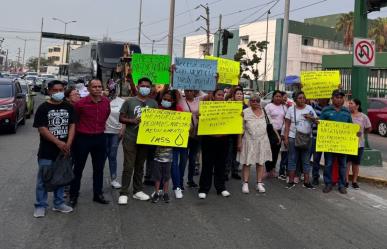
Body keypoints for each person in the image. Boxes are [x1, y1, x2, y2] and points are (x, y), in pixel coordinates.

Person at [33, 80, 76, 217]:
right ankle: (40, 205)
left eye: (61, 90)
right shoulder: (43, 108)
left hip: (64, 151)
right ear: (49, 91)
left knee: (61, 178)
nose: (58, 93)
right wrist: (58, 142)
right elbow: (42, 129)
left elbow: (72, 125)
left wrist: (68, 143)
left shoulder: (68, 106)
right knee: (43, 180)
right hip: (47, 151)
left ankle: (58, 204)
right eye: (55, 90)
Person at [69, 79, 111, 207]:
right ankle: (73, 195)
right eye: (94, 87)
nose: (97, 89)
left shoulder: (106, 102)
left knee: (99, 169)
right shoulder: (80, 104)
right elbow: (74, 121)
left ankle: (97, 194)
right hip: (83, 139)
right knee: (78, 169)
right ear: (88, 89)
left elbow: (106, 115)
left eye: (99, 86)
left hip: (100, 138)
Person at [118, 77, 158, 204]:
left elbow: (158, 120)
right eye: (143, 86)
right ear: (138, 86)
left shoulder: (153, 103)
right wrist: (132, 121)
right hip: (130, 138)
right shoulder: (129, 102)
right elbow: (121, 118)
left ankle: (137, 191)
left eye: (148, 86)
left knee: (140, 166)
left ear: (151, 88)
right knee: (128, 166)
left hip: (145, 139)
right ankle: (124, 192)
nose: (145, 88)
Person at [238, 94, 275, 194]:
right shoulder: (244, 112)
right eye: (252, 100)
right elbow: (240, 129)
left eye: (257, 101)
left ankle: (259, 183)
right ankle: (245, 183)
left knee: (260, 162)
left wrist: (278, 136)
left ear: (259, 102)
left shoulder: (265, 112)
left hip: (262, 140)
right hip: (248, 140)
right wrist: (239, 142)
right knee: (247, 162)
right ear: (249, 102)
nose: (255, 102)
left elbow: (271, 126)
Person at [198, 88, 231, 199]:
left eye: (222, 95)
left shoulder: (229, 108)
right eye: (218, 95)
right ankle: (203, 188)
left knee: (221, 165)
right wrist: (200, 116)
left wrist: (238, 115)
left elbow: (234, 121)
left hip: (223, 140)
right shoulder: (207, 106)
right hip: (209, 140)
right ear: (213, 96)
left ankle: (221, 187)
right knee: (207, 164)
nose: (221, 97)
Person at [320, 89, 353, 194]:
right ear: (332, 98)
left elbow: (350, 127)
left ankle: (342, 185)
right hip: (329, 144)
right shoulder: (326, 110)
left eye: (341, 97)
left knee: (342, 165)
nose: (339, 99)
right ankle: (328, 184)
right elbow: (320, 126)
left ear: (343, 99)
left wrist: (356, 133)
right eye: (337, 97)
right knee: (328, 164)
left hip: (342, 145)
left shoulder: (346, 112)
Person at [283, 91, 317, 190]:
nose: (302, 100)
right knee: (292, 159)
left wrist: (310, 117)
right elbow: (287, 125)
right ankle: (291, 181)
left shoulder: (309, 108)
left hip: (307, 138)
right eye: (300, 98)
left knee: (306, 160)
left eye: (303, 98)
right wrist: (286, 138)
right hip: (293, 137)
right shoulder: (290, 109)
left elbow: (317, 121)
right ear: (295, 100)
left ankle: (306, 181)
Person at [151, 90, 179, 203]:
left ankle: (166, 193)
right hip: (157, 149)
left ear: (173, 101)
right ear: (161, 100)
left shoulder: (177, 112)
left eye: (169, 100)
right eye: (164, 99)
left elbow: (185, 126)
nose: (166, 101)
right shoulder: (157, 110)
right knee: (157, 174)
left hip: (169, 150)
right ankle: (157, 192)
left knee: (167, 174)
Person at [346, 99, 371, 190]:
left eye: (351, 103)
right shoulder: (347, 115)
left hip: (359, 144)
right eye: (349, 103)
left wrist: (362, 133)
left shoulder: (363, 117)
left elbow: (369, 128)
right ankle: (346, 180)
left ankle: (354, 181)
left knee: (356, 163)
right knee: (347, 162)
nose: (349, 105)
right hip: (347, 143)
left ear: (357, 106)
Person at [104, 80, 125, 189]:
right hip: (102, 132)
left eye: (114, 89)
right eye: (110, 89)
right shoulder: (101, 100)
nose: (112, 91)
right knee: (101, 157)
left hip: (115, 133)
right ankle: (97, 179)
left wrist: (122, 129)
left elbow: (124, 116)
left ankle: (113, 179)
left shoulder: (121, 101)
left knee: (112, 156)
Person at [264, 90, 287, 178]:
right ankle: (268, 169)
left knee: (276, 151)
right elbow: (267, 120)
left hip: (280, 131)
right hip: (270, 131)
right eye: (276, 96)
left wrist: (283, 132)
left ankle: (273, 168)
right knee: (269, 150)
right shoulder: (268, 106)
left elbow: (285, 120)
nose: (278, 98)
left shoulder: (284, 107)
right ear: (273, 97)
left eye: (279, 96)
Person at [225, 87, 246, 180]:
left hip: (241, 134)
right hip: (230, 133)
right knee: (228, 153)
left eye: (241, 94)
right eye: (237, 94)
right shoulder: (229, 104)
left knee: (237, 153)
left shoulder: (246, 107)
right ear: (234, 95)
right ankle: (226, 172)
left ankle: (235, 171)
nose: (239, 95)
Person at [310, 98, 330, 185]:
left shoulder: (331, 109)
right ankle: (315, 177)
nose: (320, 98)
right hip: (316, 137)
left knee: (328, 161)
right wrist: (314, 120)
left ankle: (327, 179)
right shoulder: (313, 108)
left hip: (328, 139)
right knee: (316, 159)